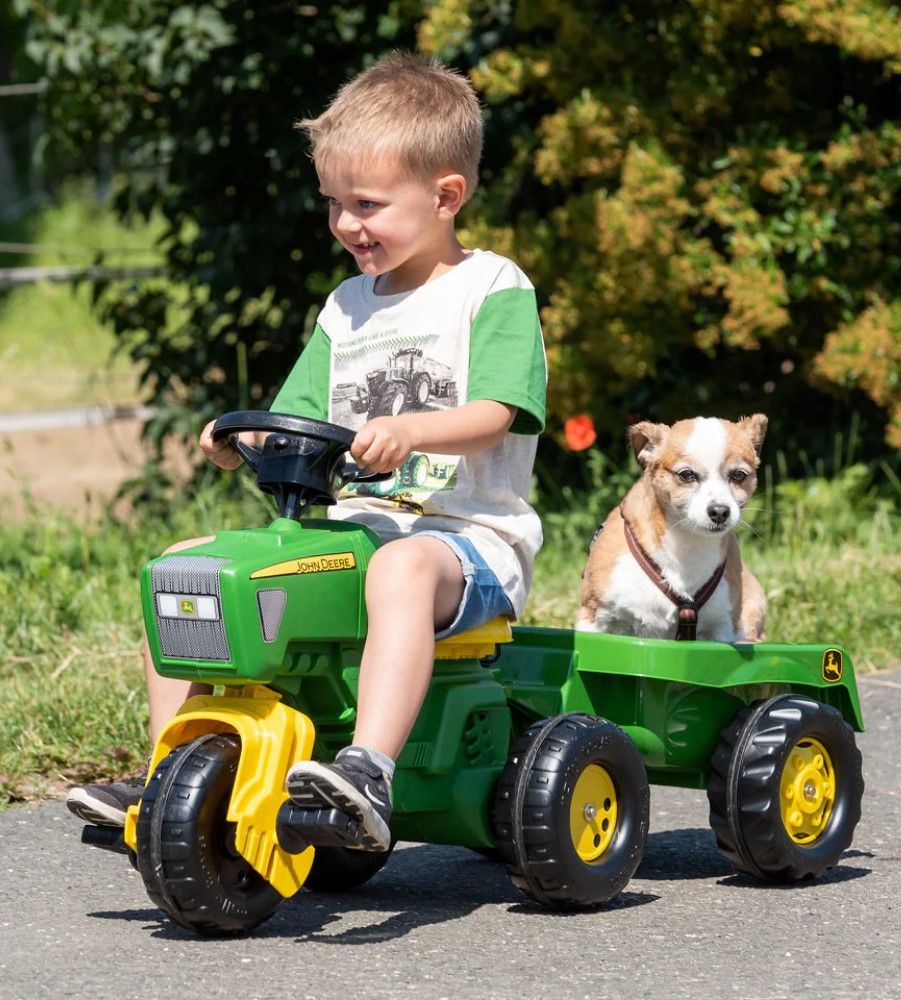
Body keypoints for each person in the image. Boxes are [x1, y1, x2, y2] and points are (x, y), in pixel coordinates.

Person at [66, 52, 547, 851]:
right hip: (355, 534)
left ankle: (369, 769)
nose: (346, 225)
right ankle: (174, 768)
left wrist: (412, 431)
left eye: (367, 204)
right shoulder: (346, 307)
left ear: (446, 196)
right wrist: (239, 436)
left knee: (401, 567)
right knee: (193, 561)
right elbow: (293, 415)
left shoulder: (491, 288)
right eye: (334, 204)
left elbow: (501, 411)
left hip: (467, 543)